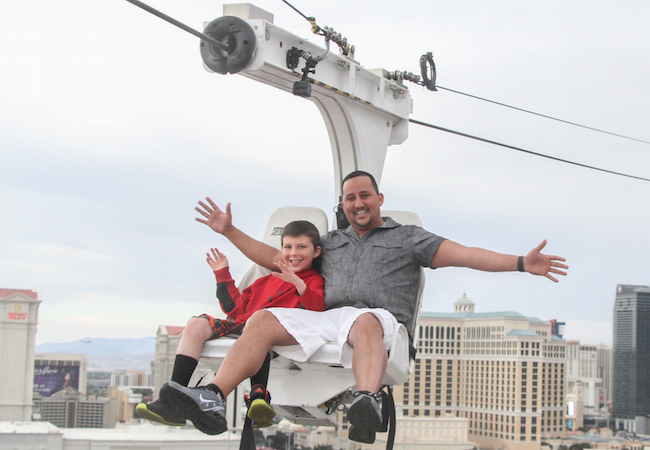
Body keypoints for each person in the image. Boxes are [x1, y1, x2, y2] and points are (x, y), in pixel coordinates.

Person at [160, 170, 568, 441]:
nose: (358, 202)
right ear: (344, 204)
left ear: (379, 199)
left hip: (380, 319)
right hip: (332, 319)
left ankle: (367, 400)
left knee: (366, 320)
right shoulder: (332, 243)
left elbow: (463, 254)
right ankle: (213, 394)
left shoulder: (408, 238)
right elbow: (276, 259)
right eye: (350, 197)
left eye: (364, 196)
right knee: (264, 319)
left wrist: (520, 263)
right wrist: (229, 230)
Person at [138, 220, 324, 433]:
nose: (294, 253)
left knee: (256, 325)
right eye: (288, 247)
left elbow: (316, 308)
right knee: (196, 324)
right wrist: (222, 274)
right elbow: (234, 308)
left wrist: (298, 284)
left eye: (302, 247)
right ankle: (172, 399)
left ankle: (258, 393)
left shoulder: (314, 281)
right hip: (243, 324)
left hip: (271, 332)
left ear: (316, 251)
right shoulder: (266, 281)